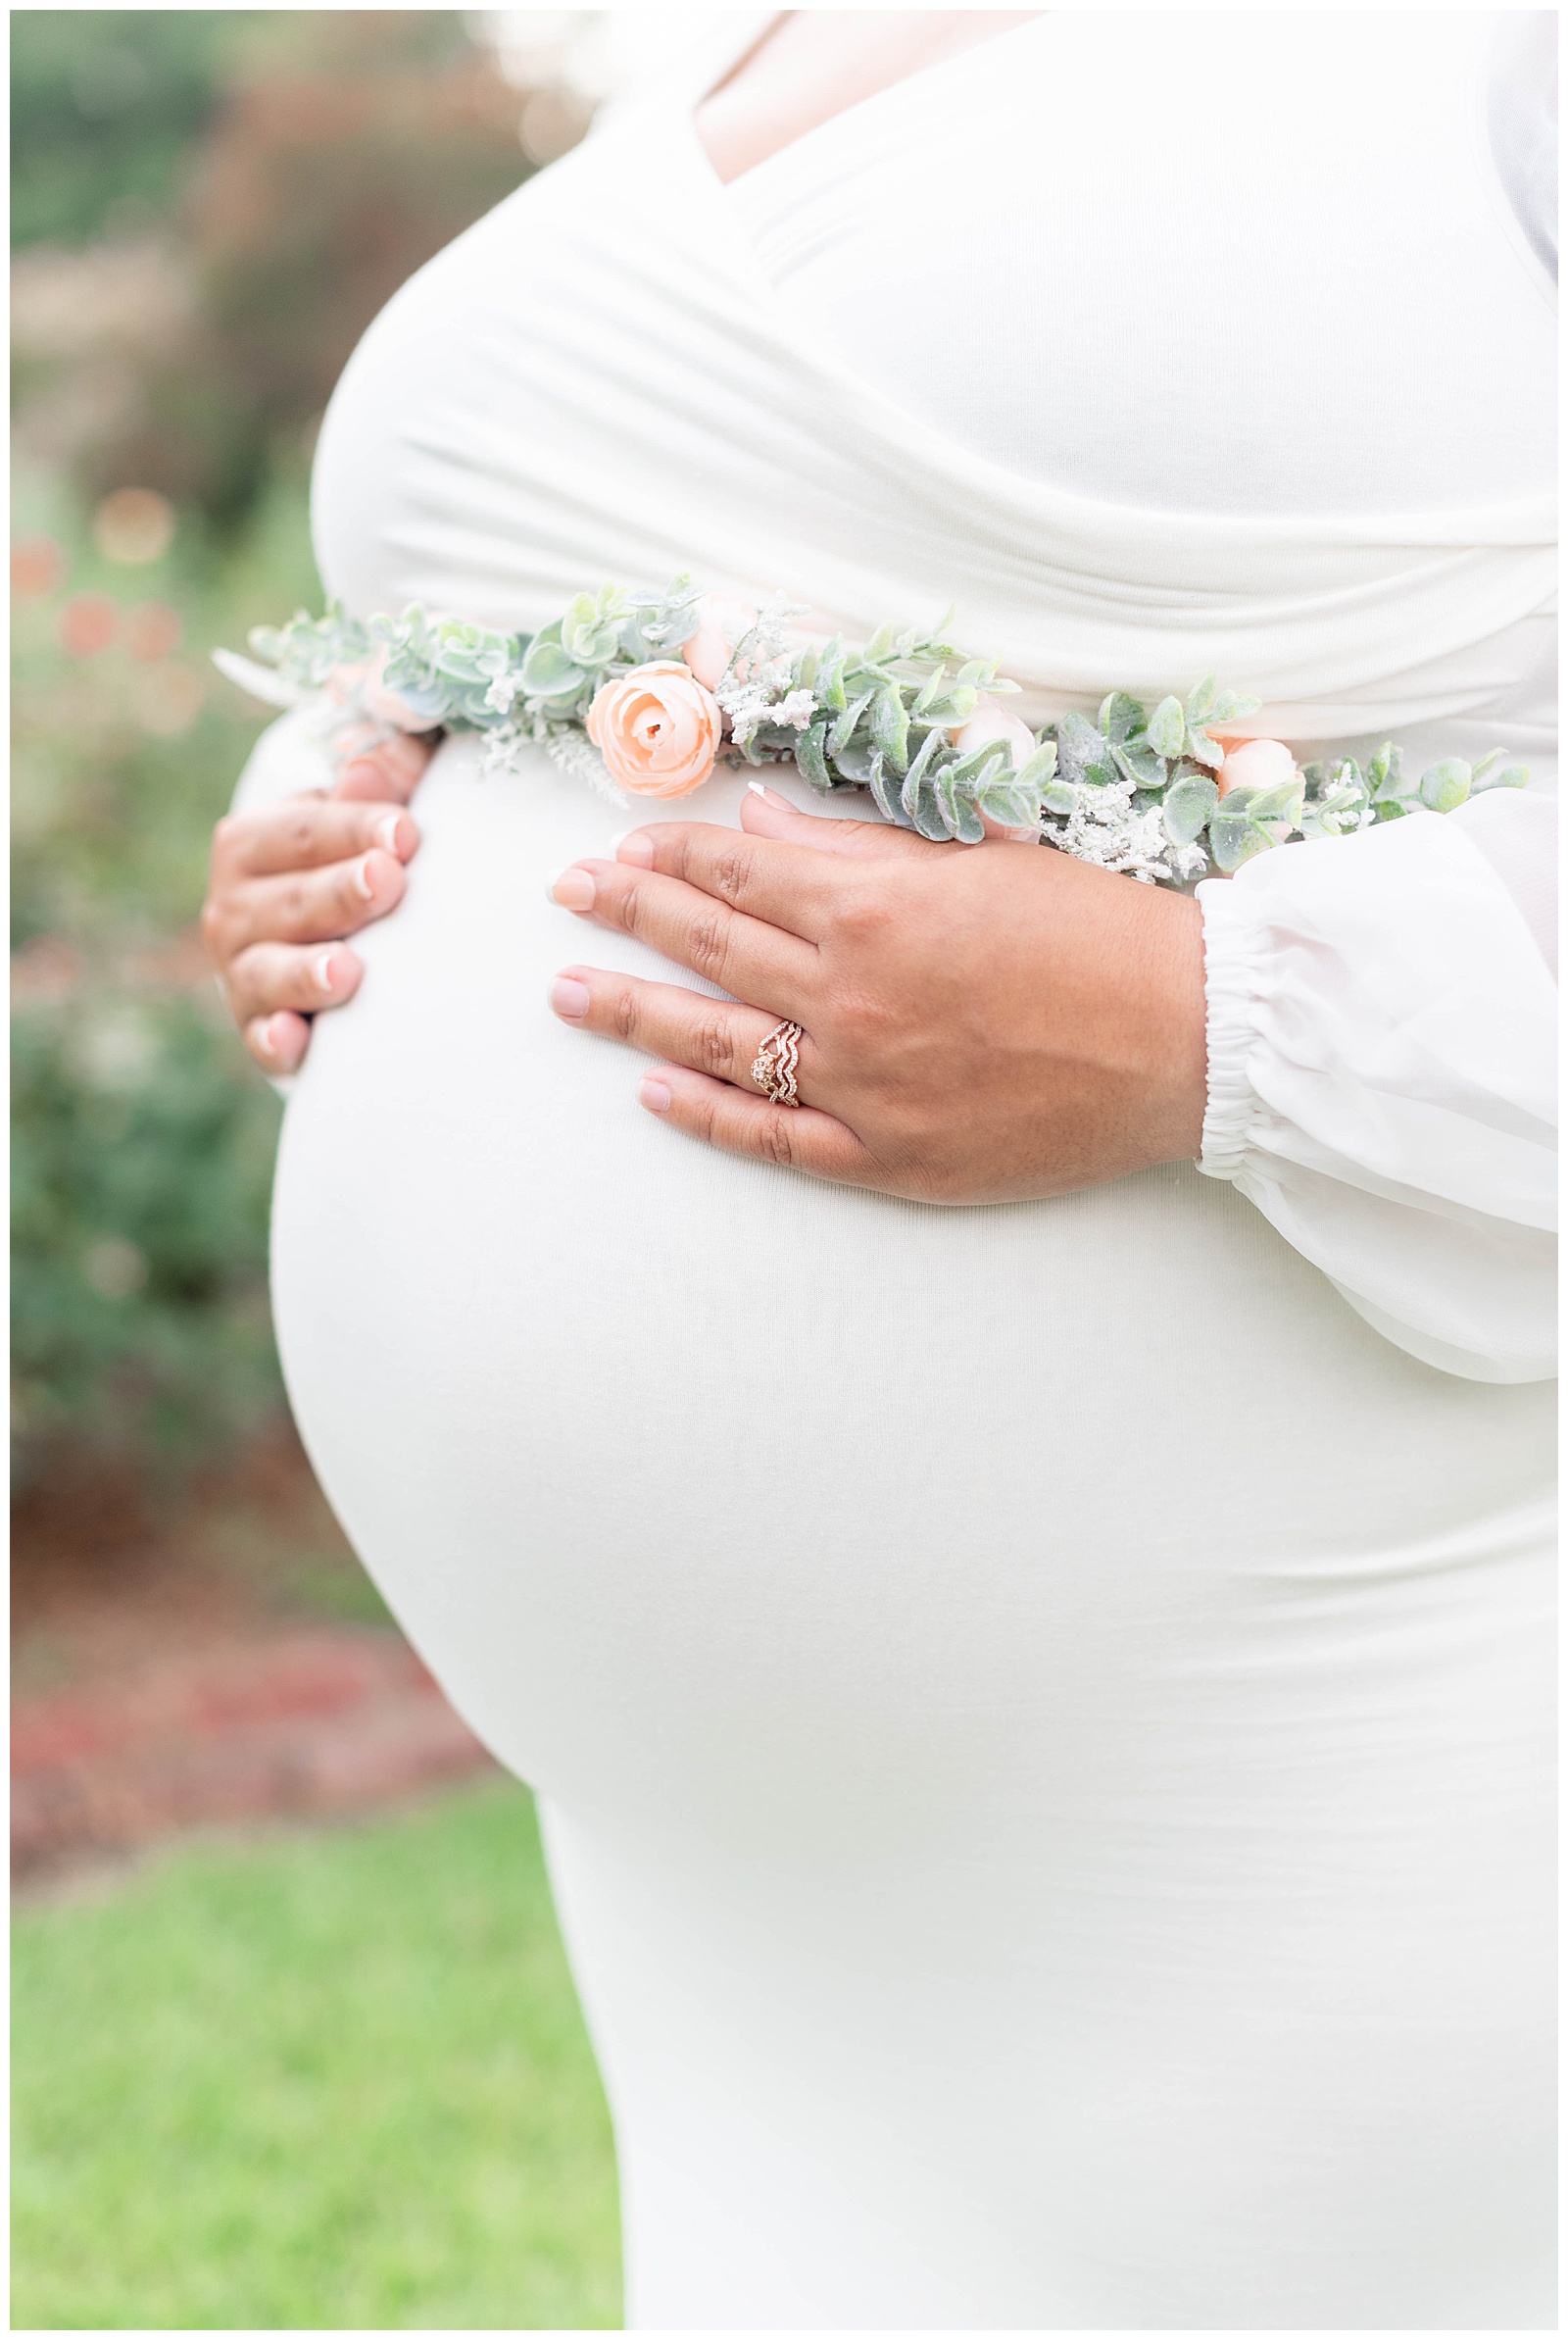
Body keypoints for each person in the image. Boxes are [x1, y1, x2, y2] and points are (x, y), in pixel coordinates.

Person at [201, 12, 1556, 2326]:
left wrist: (1190, 1025)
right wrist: (325, 827)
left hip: (1299, 1774)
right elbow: (604, 603)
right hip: (730, 1912)